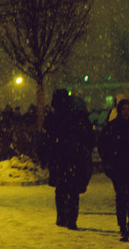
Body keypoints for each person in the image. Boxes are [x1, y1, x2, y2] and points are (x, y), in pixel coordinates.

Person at [96, 95, 129, 240]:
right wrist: (109, 159)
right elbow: (102, 144)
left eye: (128, 109)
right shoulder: (113, 126)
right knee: (121, 196)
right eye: (123, 109)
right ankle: (122, 226)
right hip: (118, 166)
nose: (126, 112)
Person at [41, 87, 96, 229]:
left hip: (60, 158)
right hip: (73, 158)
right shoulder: (77, 116)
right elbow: (88, 136)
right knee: (72, 190)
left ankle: (62, 218)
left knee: (61, 189)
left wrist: (45, 155)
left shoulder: (53, 118)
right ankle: (71, 219)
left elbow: (45, 139)